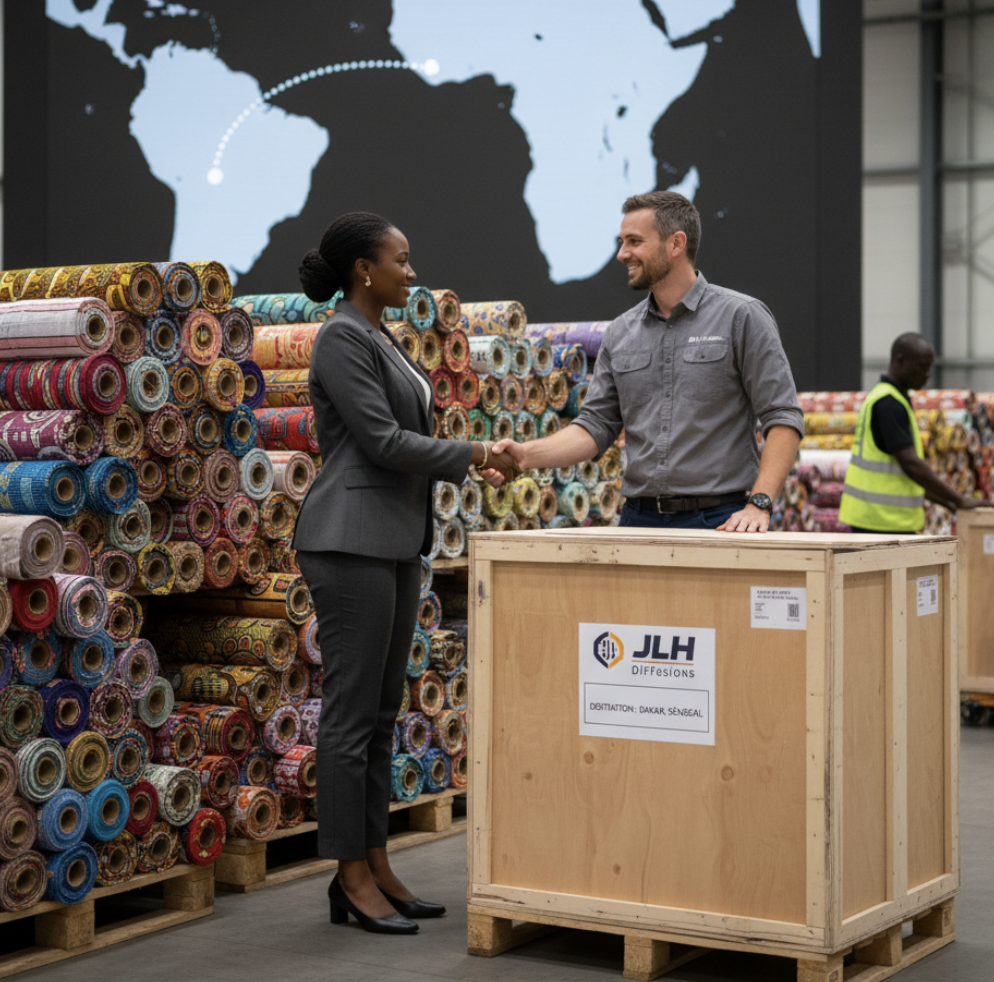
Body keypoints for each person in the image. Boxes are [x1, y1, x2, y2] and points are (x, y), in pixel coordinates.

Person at [292, 211, 517, 935]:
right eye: (401, 260)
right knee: (352, 717)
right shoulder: (340, 338)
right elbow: (384, 442)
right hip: (349, 539)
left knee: (383, 715)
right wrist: (476, 455)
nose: (411, 273)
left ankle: (378, 863)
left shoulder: (376, 334)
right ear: (365, 268)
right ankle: (348, 876)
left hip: (389, 540)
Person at [492, 191, 803, 531]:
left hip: (719, 519)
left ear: (676, 244)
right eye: (622, 241)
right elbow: (596, 426)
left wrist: (759, 503)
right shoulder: (621, 331)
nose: (622, 254)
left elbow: (783, 417)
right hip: (638, 519)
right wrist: (525, 455)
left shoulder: (742, 317)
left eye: (634, 241)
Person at [838, 333, 979, 532]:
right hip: (881, 523)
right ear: (900, 361)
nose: (928, 374)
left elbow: (903, 475)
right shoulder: (889, 404)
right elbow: (911, 464)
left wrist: (950, 503)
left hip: (879, 519)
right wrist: (959, 499)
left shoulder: (891, 398)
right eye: (922, 366)